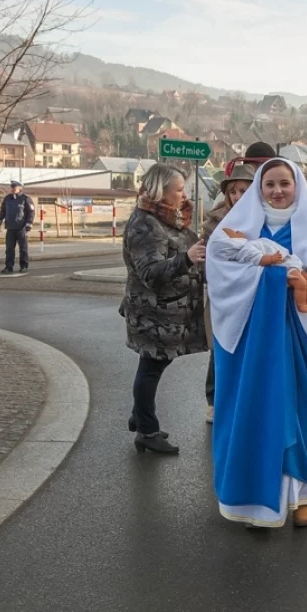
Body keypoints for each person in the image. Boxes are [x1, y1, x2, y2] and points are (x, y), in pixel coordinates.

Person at [206, 158, 307, 528]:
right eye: (269, 184)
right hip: (255, 340)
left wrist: (297, 281)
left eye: (284, 183)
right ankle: (255, 502)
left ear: (297, 186)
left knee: (300, 412)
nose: (277, 191)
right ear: (259, 188)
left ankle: (300, 494)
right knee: (257, 408)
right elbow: (219, 272)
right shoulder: (239, 226)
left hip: (303, 336)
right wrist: (273, 280)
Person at [121, 164, 209, 454]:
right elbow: (150, 273)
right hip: (153, 314)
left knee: (153, 366)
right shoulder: (145, 225)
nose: (185, 195)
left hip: (166, 314)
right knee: (151, 367)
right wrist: (186, 259)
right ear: (161, 191)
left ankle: (140, 415)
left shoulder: (168, 219)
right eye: (180, 189)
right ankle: (146, 430)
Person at [201, 160, 255, 423]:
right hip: (223, 293)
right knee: (221, 345)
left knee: (246, 347)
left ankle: (242, 399)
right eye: (233, 191)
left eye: (244, 191)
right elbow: (208, 259)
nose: (237, 196)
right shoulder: (214, 222)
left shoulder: (262, 217)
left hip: (253, 293)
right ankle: (214, 399)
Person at [0, 181, 35, 274]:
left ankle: (24, 266)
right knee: (9, 249)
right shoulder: (7, 198)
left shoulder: (26, 198)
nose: (12, 189)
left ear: (20, 188)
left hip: (21, 228)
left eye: (14, 187)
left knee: (23, 249)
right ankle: (9, 267)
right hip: (10, 227)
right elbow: (2, 211)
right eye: (11, 187)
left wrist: (29, 224)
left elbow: (31, 212)